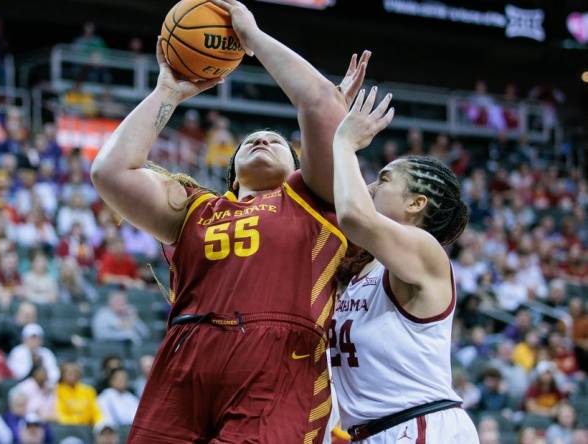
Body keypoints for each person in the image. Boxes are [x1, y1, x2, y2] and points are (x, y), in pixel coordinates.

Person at [91, 0, 369, 439]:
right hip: (187, 354)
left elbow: (319, 102)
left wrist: (251, 37)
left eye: (275, 140)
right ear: (231, 170)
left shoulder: (314, 197)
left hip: (279, 362)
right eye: (251, 140)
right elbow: (108, 171)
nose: (260, 138)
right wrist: (167, 91)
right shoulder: (195, 208)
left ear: (300, 164)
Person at [328, 86, 478, 442]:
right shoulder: (361, 268)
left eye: (383, 178)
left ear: (415, 203)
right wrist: (326, 112)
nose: (368, 185)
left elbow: (352, 216)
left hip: (420, 426)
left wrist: (345, 143)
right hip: (374, 432)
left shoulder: (427, 252)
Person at [55, 362, 104, 427]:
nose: (73, 375)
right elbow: (59, 415)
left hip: (88, 426)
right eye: (69, 373)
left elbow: (96, 412)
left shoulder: (88, 390)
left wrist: (99, 424)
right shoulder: (56, 390)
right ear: (62, 374)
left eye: (76, 372)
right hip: (67, 427)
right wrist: (78, 420)